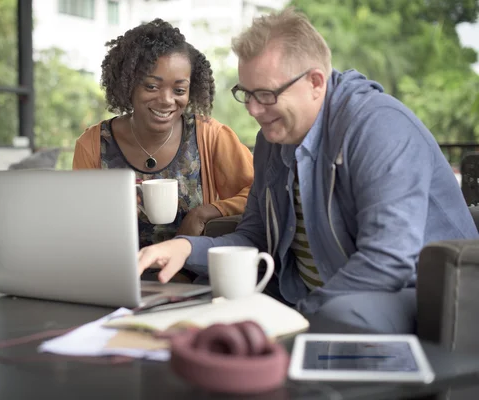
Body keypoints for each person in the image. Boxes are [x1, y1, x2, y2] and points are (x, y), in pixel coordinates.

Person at [136, 8, 479, 333]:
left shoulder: (378, 127)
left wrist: (296, 315)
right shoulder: (273, 140)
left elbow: (385, 262)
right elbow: (255, 239)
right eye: (247, 94)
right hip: (310, 294)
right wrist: (184, 248)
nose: (254, 110)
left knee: (338, 314)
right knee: (203, 302)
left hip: (418, 295)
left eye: (266, 95)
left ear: (316, 82)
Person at [73, 19, 254, 251]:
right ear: (128, 85)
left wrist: (204, 213)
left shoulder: (211, 136)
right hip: (116, 275)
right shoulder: (93, 144)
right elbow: (81, 222)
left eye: (179, 90)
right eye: (151, 86)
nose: (167, 100)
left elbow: (258, 194)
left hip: (192, 276)